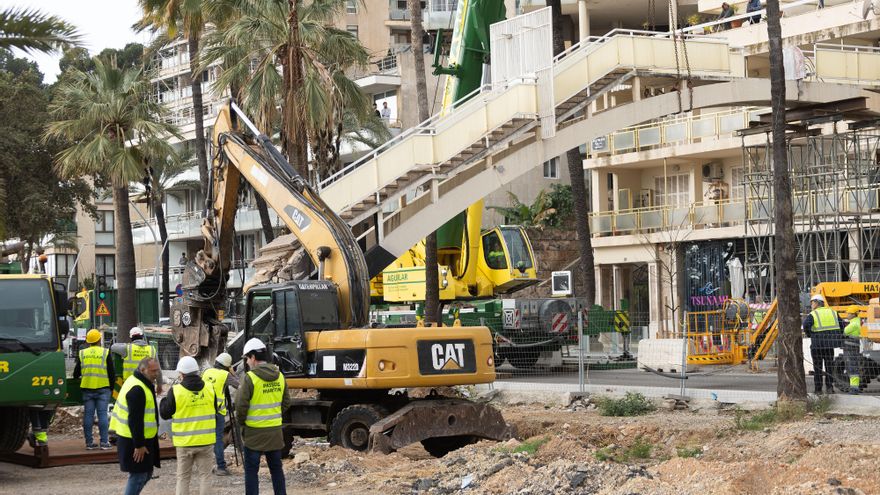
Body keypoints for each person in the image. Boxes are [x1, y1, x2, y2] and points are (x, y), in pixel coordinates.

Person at [236, 338, 291, 495]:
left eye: (247, 358)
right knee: (276, 470)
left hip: (254, 435)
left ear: (253, 358)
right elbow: (286, 402)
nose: (246, 362)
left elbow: (240, 407)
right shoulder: (279, 376)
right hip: (274, 433)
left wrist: (243, 424)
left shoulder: (250, 378)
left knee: (252, 472)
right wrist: (272, 415)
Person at [160, 356, 216, 495]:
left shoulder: (176, 391)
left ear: (182, 374)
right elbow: (215, 409)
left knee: (183, 478)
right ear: (197, 372)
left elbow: (165, 413)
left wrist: (164, 400)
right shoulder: (209, 388)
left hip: (185, 443)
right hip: (205, 441)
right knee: (205, 477)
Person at [111, 357, 162, 495]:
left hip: (141, 437)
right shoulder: (137, 388)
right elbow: (135, 419)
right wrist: (139, 445)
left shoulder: (141, 382)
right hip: (133, 439)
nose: (156, 374)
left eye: (157, 370)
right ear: (142, 369)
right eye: (153, 371)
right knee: (138, 475)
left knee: (146, 473)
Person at [74, 328, 115, 450]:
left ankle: (89, 443)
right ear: (99, 340)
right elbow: (111, 373)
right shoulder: (105, 352)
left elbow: (76, 373)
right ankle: (104, 442)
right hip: (103, 388)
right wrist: (111, 388)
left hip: (87, 389)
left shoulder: (82, 353)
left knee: (88, 415)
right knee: (102, 415)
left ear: (88, 341)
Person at [202, 352, 240, 476]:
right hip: (218, 412)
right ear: (227, 366)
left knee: (207, 438)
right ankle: (221, 467)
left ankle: (205, 466)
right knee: (218, 439)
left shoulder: (207, 372)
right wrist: (233, 373)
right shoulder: (225, 375)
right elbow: (240, 385)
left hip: (204, 410)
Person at [802, 294, 843, 394]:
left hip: (817, 346)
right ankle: (829, 388)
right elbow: (842, 325)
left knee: (817, 368)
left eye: (812, 302)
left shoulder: (813, 314)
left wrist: (810, 334)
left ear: (816, 302)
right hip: (829, 346)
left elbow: (805, 325)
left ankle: (818, 389)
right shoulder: (833, 312)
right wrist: (836, 336)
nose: (811, 305)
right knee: (829, 367)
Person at [112, 327, 163, 394]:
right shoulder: (151, 349)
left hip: (129, 385)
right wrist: (159, 385)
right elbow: (158, 370)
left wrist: (126, 345)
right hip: (147, 385)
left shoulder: (127, 348)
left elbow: (113, 347)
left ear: (131, 338)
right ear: (142, 336)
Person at [842, 306, 862, 395]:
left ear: (854, 314)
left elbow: (844, 332)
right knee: (852, 367)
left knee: (852, 368)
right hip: (852, 348)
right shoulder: (856, 322)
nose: (847, 315)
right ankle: (854, 387)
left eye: (849, 313)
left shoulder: (853, 324)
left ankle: (854, 389)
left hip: (851, 349)